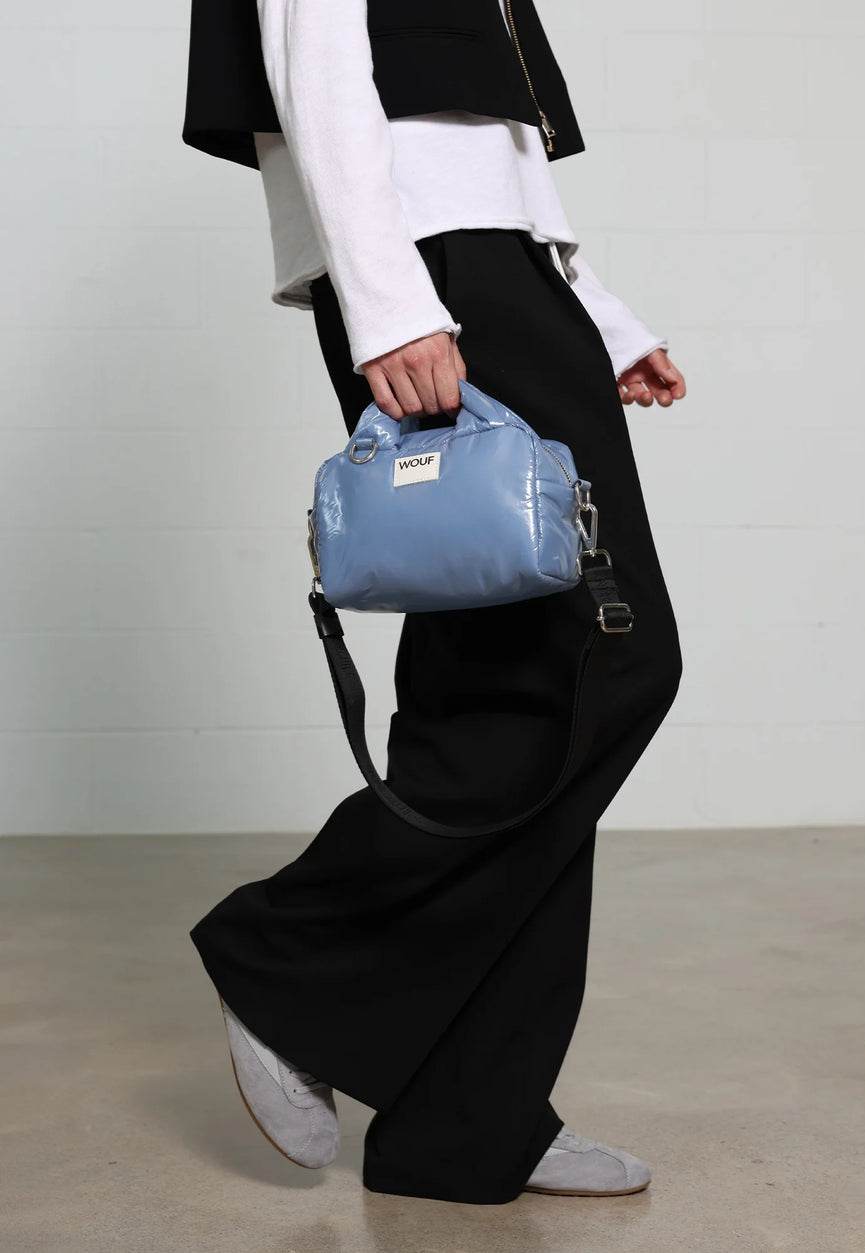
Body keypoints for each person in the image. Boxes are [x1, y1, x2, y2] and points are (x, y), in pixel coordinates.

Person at [184, 0, 686, 1205]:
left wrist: (591, 308)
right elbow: (314, 56)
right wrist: (390, 297)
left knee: (499, 685)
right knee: (600, 665)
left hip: (486, 262)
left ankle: (466, 1118)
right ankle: (286, 958)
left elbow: (492, 124)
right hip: (428, 263)